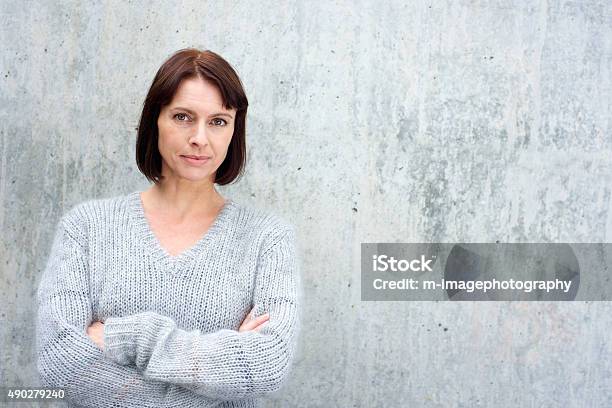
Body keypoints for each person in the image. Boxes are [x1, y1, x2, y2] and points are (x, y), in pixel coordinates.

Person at [35, 48, 302, 408]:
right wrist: (221, 368)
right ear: (154, 121)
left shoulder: (267, 239)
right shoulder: (86, 228)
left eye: (218, 121)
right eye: (182, 116)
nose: (200, 138)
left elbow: (267, 364)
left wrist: (130, 337)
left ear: (234, 130)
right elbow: (60, 362)